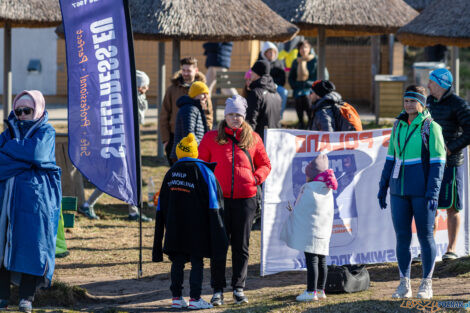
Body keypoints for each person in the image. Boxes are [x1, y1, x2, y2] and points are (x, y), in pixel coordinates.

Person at [198, 95, 271, 305]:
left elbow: (265, 164)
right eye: (231, 114)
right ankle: (218, 289)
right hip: (219, 201)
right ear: (225, 115)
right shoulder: (212, 137)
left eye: (238, 114)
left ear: (244, 116)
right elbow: (201, 165)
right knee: (219, 246)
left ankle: (239, 288)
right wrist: (208, 187)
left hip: (246, 199)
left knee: (241, 246)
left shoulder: (254, 138)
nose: (234, 118)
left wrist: (255, 178)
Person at [378, 85, 446, 299]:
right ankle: (404, 283)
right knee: (402, 238)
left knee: (426, 237)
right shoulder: (397, 125)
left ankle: (426, 283)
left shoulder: (431, 127)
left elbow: (438, 163)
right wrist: (383, 186)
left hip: (422, 192)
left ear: (422, 103)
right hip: (398, 191)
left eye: (412, 101)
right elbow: (391, 158)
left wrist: (433, 192)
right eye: (405, 100)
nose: (408, 105)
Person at [0, 90, 62, 313]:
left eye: (27, 110)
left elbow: (38, 154)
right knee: (3, 246)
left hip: (36, 202)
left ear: (38, 109)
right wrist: (25, 160)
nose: (23, 115)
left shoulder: (46, 131)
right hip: (7, 202)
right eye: (19, 111)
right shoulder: (8, 132)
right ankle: (2, 297)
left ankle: (27, 298)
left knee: (33, 246)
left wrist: (13, 153)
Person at [153, 133, 228, 310]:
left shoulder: (170, 173)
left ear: (179, 153)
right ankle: (195, 299)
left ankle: (176, 298)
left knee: (177, 261)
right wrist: (217, 228)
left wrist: (161, 230)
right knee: (197, 262)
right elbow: (214, 203)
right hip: (197, 227)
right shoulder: (203, 171)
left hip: (174, 227)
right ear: (195, 153)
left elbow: (160, 205)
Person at [78, 70, 153, 221]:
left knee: (125, 176)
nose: (147, 89)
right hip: (121, 144)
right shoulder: (130, 99)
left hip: (128, 143)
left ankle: (132, 211)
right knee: (115, 176)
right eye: (145, 85)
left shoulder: (135, 98)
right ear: (138, 86)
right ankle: (88, 205)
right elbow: (136, 118)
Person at [280, 154, 338, 302]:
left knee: (311, 260)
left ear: (311, 175)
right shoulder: (328, 188)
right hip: (324, 231)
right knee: (322, 260)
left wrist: (291, 213)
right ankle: (320, 290)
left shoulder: (308, 188)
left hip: (311, 231)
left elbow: (300, 208)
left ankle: (310, 292)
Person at [426, 68, 470, 261]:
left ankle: (451, 249)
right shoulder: (428, 102)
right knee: (430, 206)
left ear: (441, 84)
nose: (428, 85)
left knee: (452, 207)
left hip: (452, 163)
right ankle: (429, 249)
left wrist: (450, 149)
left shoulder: (459, 104)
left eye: (431, 82)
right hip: (430, 162)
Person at [159, 57, 214, 166]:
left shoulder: (202, 90)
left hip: (198, 139)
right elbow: (164, 114)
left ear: (196, 71)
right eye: (183, 70)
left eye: (188, 70)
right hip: (175, 137)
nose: (185, 73)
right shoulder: (172, 89)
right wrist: (166, 139)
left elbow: (209, 114)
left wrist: (206, 134)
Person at [288, 40, 329, 129]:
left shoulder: (315, 60)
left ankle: (311, 122)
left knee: (307, 99)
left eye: (305, 47)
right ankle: (301, 123)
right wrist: (295, 85)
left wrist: (313, 86)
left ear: (310, 49)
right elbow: (291, 78)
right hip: (298, 88)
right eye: (301, 48)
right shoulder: (296, 61)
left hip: (312, 89)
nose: (303, 50)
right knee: (298, 98)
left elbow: (324, 75)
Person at [170, 81, 210, 163]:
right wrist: (202, 147)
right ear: (195, 94)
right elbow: (189, 134)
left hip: (189, 153)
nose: (206, 97)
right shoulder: (189, 109)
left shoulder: (195, 108)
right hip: (185, 153)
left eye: (207, 94)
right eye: (203, 93)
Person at [245, 60, 281, 142]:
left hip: (259, 141)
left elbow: (250, 120)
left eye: (252, 71)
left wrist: (247, 141)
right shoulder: (277, 94)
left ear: (257, 73)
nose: (251, 74)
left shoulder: (256, 93)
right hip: (274, 140)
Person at [258, 41, 288, 118]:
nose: (272, 54)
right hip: (263, 87)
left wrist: (274, 84)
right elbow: (258, 77)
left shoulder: (279, 63)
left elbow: (282, 79)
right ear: (265, 53)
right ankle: (262, 117)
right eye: (269, 52)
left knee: (284, 92)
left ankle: (279, 117)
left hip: (276, 87)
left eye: (273, 52)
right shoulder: (260, 63)